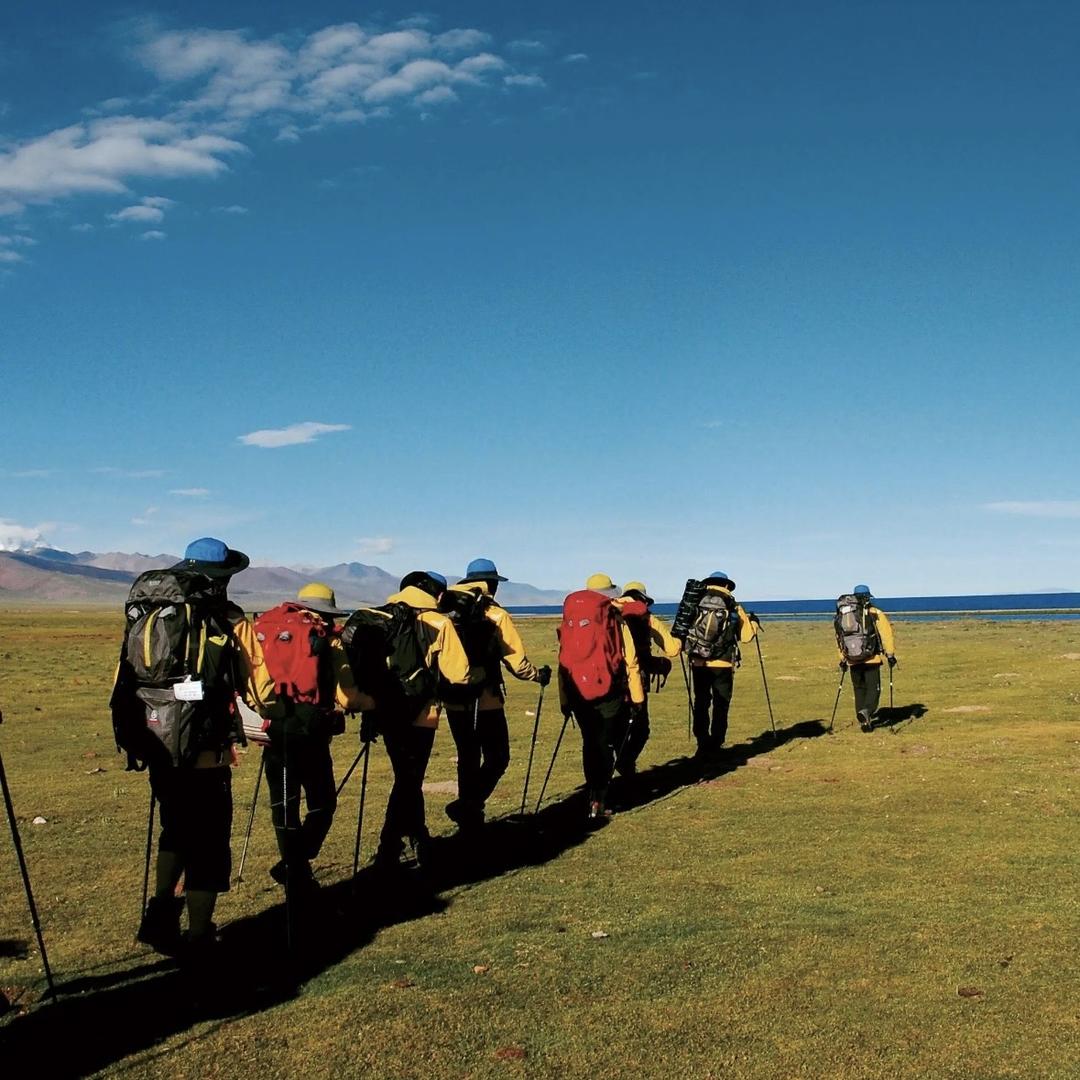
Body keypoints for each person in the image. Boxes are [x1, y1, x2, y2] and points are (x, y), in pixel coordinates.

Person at [112, 537, 264, 961]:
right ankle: (200, 934)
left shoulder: (149, 606)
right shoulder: (227, 618)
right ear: (224, 576)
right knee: (210, 841)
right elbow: (260, 685)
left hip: (158, 741)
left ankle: (160, 914)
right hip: (205, 749)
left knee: (175, 827)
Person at [249, 582, 353, 896]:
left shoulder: (265, 630)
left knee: (284, 806)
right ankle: (295, 866)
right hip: (311, 733)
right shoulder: (326, 639)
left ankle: (295, 870)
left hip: (273, 728)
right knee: (323, 803)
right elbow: (346, 695)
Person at [364, 571, 472, 872]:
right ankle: (394, 845)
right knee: (408, 780)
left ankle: (413, 838)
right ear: (436, 594)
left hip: (386, 711)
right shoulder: (440, 622)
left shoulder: (381, 618)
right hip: (423, 713)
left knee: (406, 777)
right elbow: (459, 673)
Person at [442, 558, 551, 832]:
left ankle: (470, 817)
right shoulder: (495, 614)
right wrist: (538, 675)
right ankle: (468, 806)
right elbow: (516, 662)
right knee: (498, 757)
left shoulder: (445, 611)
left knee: (467, 757)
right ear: (491, 583)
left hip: (454, 698)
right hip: (487, 699)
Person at [557, 573, 645, 821]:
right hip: (609, 692)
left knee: (591, 743)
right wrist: (637, 698)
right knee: (606, 743)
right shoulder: (615, 616)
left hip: (577, 692)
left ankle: (592, 794)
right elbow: (631, 661)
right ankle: (602, 796)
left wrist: (564, 699)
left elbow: (563, 662)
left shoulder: (571, 618)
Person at [687, 570, 759, 759]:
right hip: (723, 663)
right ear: (726, 585)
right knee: (721, 704)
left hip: (699, 661)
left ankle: (702, 742)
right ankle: (716, 742)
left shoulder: (695, 601)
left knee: (701, 702)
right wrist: (753, 623)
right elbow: (746, 637)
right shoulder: (733, 605)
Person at [613, 581, 682, 775]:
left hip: (608, 680)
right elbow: (673, 649)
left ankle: (617, 769)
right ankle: (626, 764)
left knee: (617, 727)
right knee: (641, 729)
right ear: (644, 598)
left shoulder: (610, 611)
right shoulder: (646, 616)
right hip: (636, 680)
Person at [838, 584, 897, 731]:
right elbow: (886, 634)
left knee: (859, 689)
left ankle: (864, 721)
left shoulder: (844, 615)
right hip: (872, 658)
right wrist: (890, 654)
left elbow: (840, 638)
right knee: (873, 690)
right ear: (868, 597)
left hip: (852, 659)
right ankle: (867, 712)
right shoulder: (875, 612)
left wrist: (843, 658)